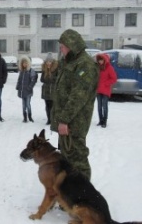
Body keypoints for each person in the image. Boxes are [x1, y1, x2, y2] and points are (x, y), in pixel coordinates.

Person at [50, 29, 99, 180]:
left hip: (75, 123)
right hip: (66, 122)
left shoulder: (85, 65)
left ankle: (83, 198)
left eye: (63, 46)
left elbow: (78, 97)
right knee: (67, 160)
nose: (61, 50)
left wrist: (64, 120)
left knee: (78, 161)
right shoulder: (69, 62)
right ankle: (71, 196)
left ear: (72, 46)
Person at [96, 53, 117, 128]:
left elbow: (114, 79)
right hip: (98, 90)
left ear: (105, 60)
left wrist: (105, 84)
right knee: (99, 106)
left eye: (101, 60)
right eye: (99, 60)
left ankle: (104, 121)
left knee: (104, 106)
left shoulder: (109, 68)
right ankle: (100, 120)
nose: (100, 61)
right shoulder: (98, 68)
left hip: (105, 90)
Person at [16, 56, 37, 123]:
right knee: (23, 105)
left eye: (26, 63)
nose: (25, 64)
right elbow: (19, 80)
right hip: (22, 91)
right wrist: (18, 86)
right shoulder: (22, 71)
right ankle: (24, 117)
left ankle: (30, 116)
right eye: (23, 63)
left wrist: (29, 87)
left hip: (28, 92)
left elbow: (33, 81)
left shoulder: (30, 71)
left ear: (28, 63)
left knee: (28, 104)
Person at [40, 53, 58, 125]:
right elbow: (42, 79)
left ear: (52, 62)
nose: (48, 63)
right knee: (47, 106)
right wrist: (46, 74)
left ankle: (53, 119)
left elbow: (57, 79)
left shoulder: (56, 70)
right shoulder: (44, 70)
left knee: (53, 106)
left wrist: (51, 78)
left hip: (53, 91)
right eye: (47, 61)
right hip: (46, 91)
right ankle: (49, 119)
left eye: (50, 61)